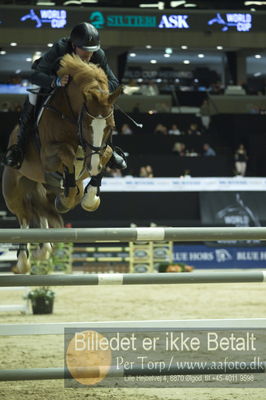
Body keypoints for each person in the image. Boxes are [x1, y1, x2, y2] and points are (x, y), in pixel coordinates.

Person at [4, 22, 127, 170]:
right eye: (84, 50)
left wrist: (98, 86)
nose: (89, 54)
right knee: (33, 96)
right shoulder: (60, 48)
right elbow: (35, 76)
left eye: (92, 50)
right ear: (74, 46)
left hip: (80, 93)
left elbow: (113, 81)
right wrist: (55, 81)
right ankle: (20, 146)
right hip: (50, 81)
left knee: (103, 109)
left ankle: (109, 150)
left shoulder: (98, 54)